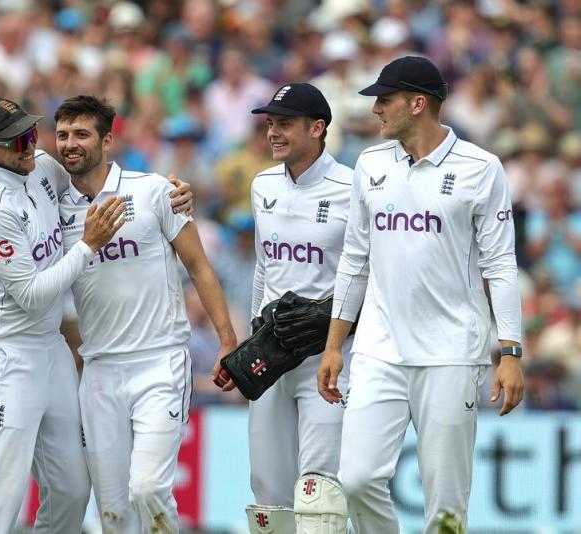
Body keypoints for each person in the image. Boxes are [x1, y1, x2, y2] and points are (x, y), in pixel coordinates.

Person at [318, 56, 525, 534]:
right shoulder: (369, 163)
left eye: (384, 100)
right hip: (378, 348)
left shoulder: (481, 168)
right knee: (355, 479)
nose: (375, 110)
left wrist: (510, 351)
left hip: (453, 352)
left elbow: (500, 264)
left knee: (446, 505)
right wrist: (334, 345)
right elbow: (355, 260)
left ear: (417, 104)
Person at [54, 95, 237, 533]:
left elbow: (199, 267)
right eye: (62, 135)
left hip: (160, 362)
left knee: (149, 489)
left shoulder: (153, 189)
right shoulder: (53, 207)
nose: (70, 144)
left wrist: (228, 340)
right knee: (114, 513)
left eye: (81, 134)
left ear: (108, 140)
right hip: (99, 370)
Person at [0, 97, 124, 534]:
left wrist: (167, 192)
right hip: (1, 355)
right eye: (15, 141)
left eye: (31, 132)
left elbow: (97, 177)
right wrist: (87, 245)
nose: (29, 146)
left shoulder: (43, 168)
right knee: (2, 499)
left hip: (49, 347)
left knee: (72, 487)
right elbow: (31, 294)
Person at [220, 83, 355, 534]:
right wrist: (250, 340)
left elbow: (368, 274)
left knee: (319, 491)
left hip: (327, 358)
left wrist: (336, 329)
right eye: (270, 124)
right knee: (267, 492)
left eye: (285, 124)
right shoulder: (262, 185)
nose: (273, 133)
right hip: (272, 355)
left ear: (317, 128)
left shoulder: (352, 188)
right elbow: (265, 267)